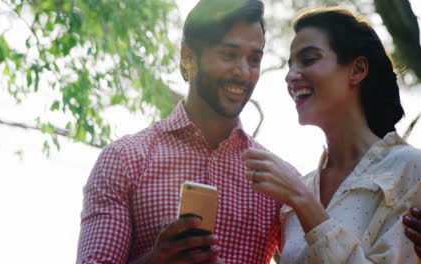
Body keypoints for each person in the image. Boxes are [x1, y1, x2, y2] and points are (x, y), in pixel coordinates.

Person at [76, 0, 285, 263]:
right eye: (228, 55)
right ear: (188, 58)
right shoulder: (124, 160)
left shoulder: (276, 180)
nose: (243, 72)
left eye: (253, 59)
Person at [242, 7, 421, 263]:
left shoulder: (411, 170)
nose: (290, 76)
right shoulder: (297, 194)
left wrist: (305, 205)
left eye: (309, 59)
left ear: (357, 69)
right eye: (291, 64)